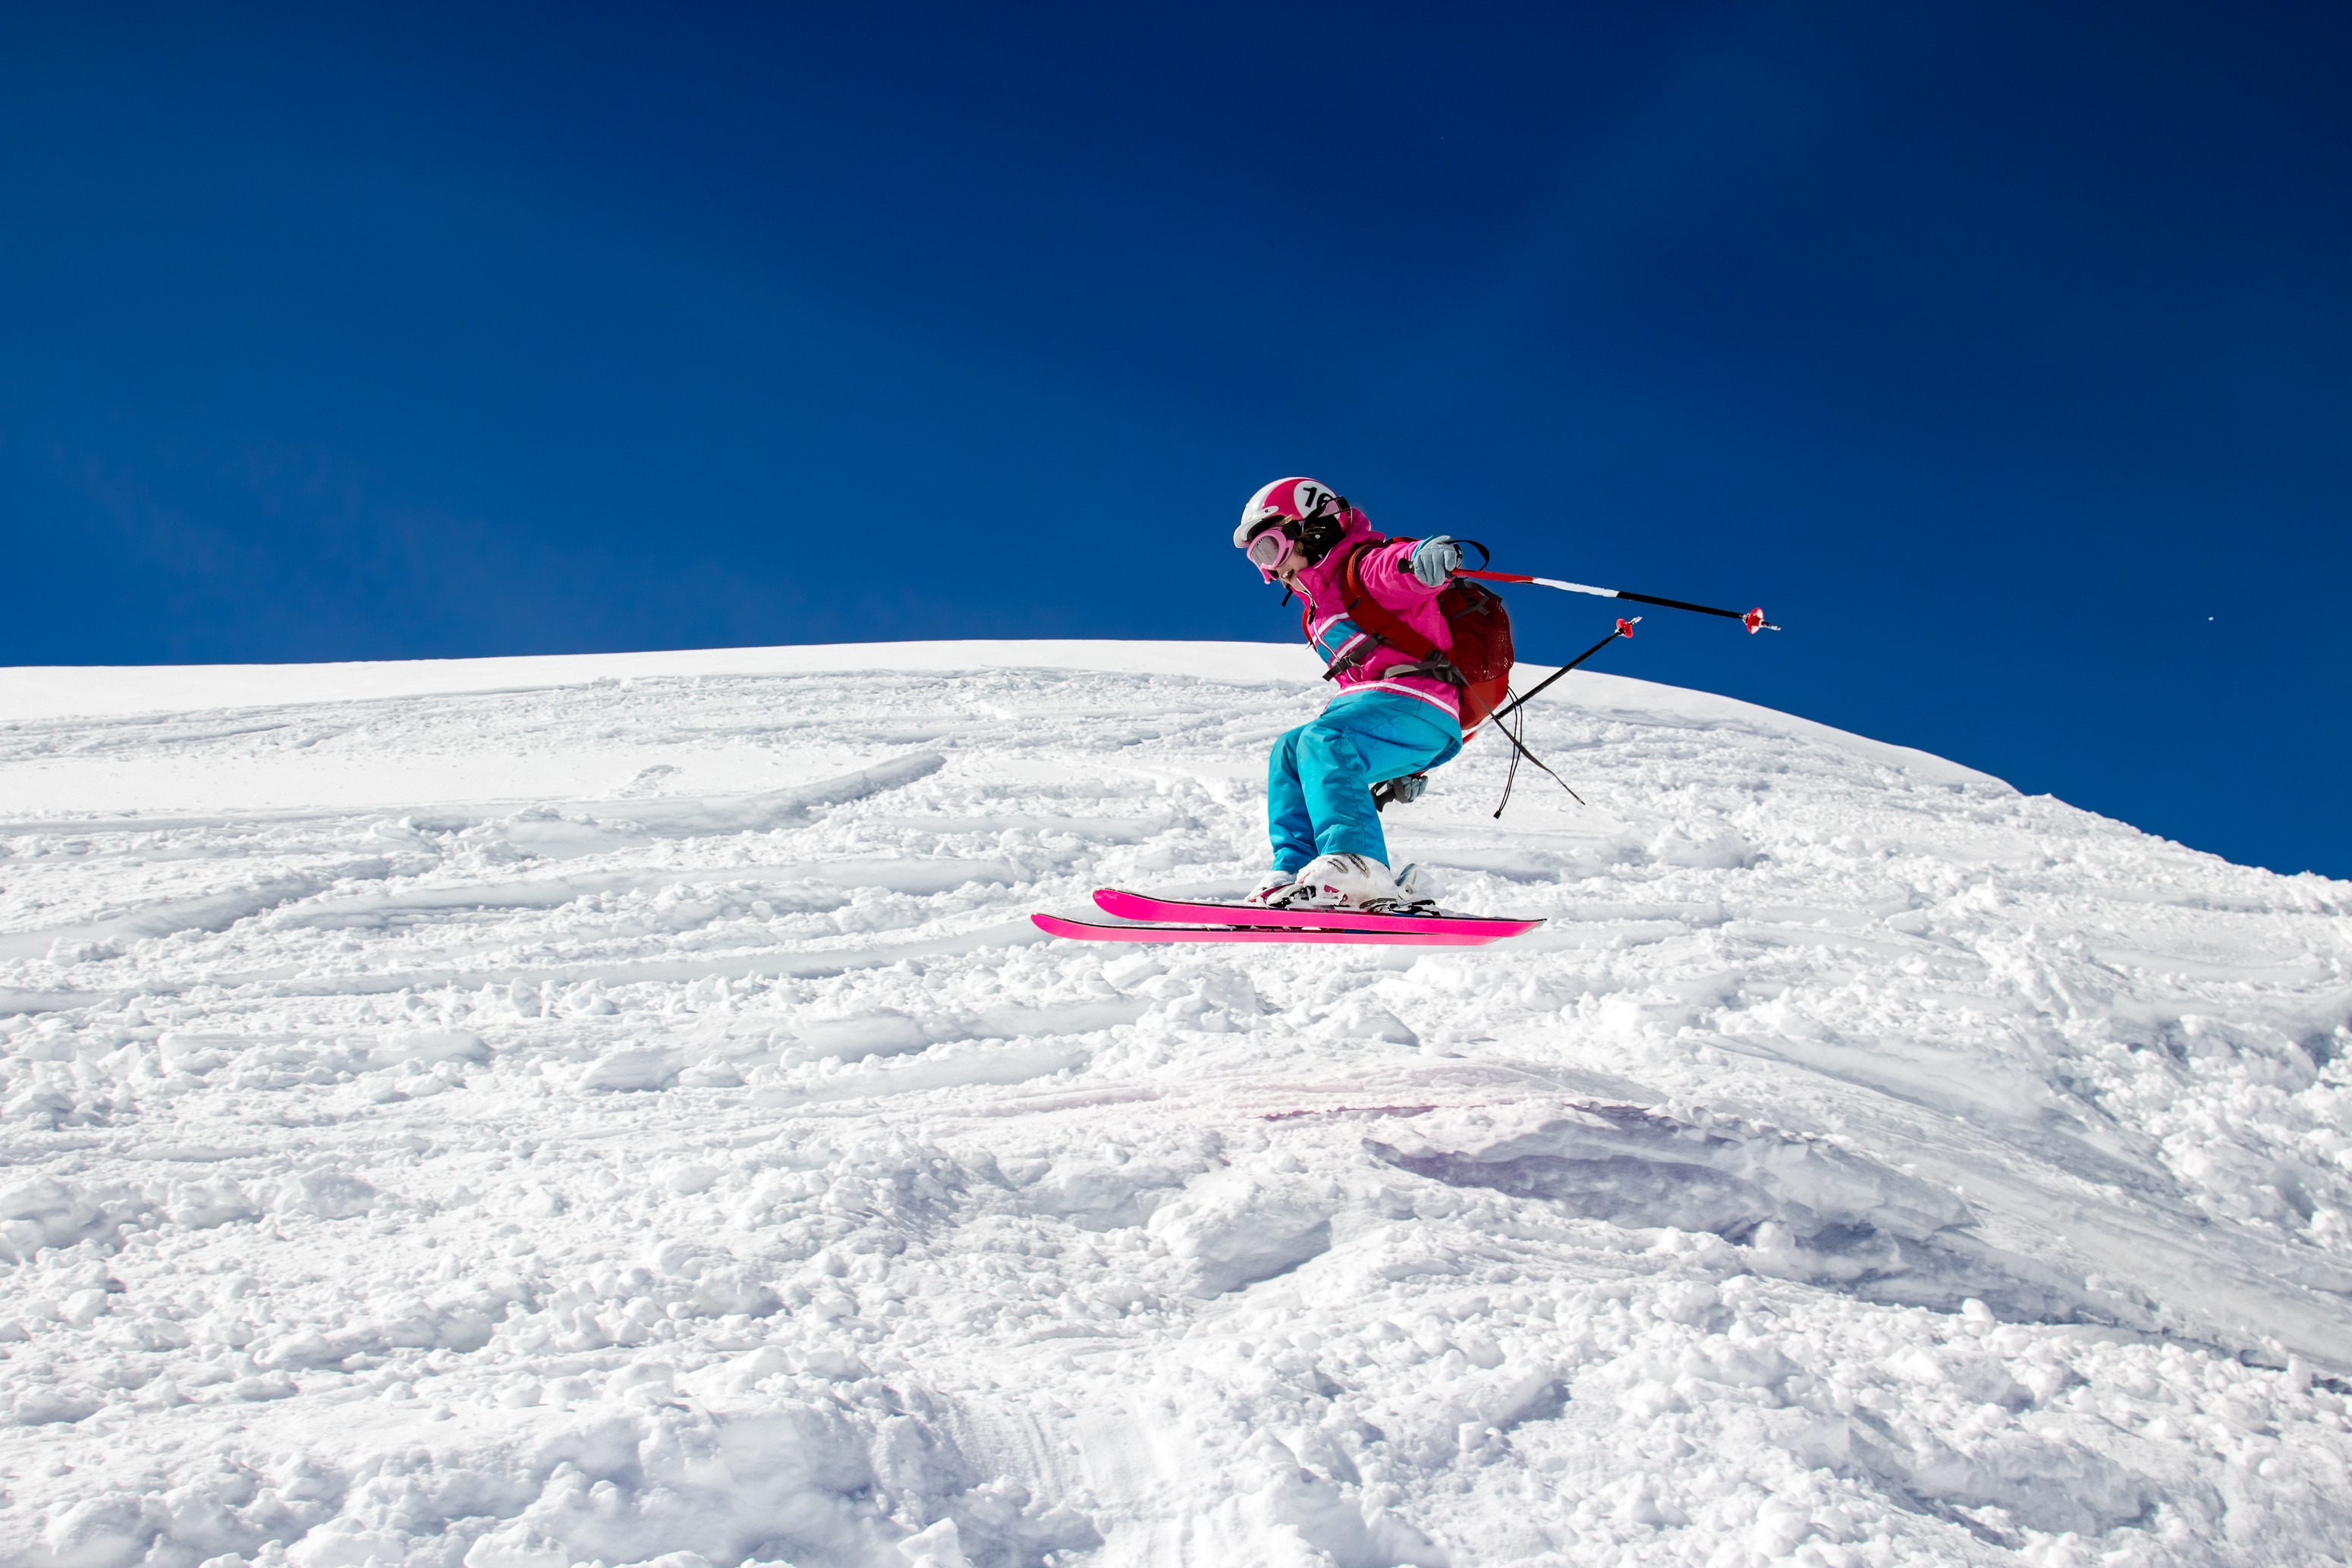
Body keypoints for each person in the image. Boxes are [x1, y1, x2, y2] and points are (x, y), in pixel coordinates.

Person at [1234, 477, 1467, 912]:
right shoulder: (1317, 611)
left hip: (1417, 702)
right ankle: (1298, 870)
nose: (1268, 571)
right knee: (1291, 748)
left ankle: (1358, 866)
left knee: (1325, 739)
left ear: (1312, 528)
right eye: (1255, 561)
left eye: (1267, 549)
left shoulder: (1361, 569)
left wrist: (1423, 558)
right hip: (1382, 713)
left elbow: (1397, 567)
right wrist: (1392, 762)